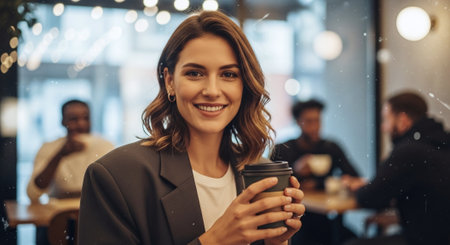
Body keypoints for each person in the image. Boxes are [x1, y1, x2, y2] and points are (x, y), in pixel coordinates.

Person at [78, 10, 305, 245]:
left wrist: (277, 242)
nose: (212, 90)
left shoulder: (261, 173)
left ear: (244, 85)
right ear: (169, 81)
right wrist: (215, 240)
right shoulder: (116, 176)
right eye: (195, 73)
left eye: (228, 74)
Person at [342, 92, 450, 245]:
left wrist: (358, 187)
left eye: (386, 119)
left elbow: (370, 197)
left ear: (403, 120)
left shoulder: (409, 150)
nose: (384, 127)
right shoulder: (440, 142)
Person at [270, 99, 359, 245]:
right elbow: (271, 186)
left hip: (326, 218)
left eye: (318, 121)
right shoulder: (282, 149)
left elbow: (353, 175)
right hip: (292, 218)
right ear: (298, 122)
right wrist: (296, 171)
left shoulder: (331, 147)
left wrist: (321, 183)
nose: (315, 127)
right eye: (309, 121)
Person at [27, 99, 114, 202]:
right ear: (63, 121)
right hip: (60, 212)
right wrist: (60, 154)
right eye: (73, 119)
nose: (81, 124)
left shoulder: (105, 146)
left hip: (95, 209)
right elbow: (33, 193)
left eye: (86, 118)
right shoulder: (49, 148)